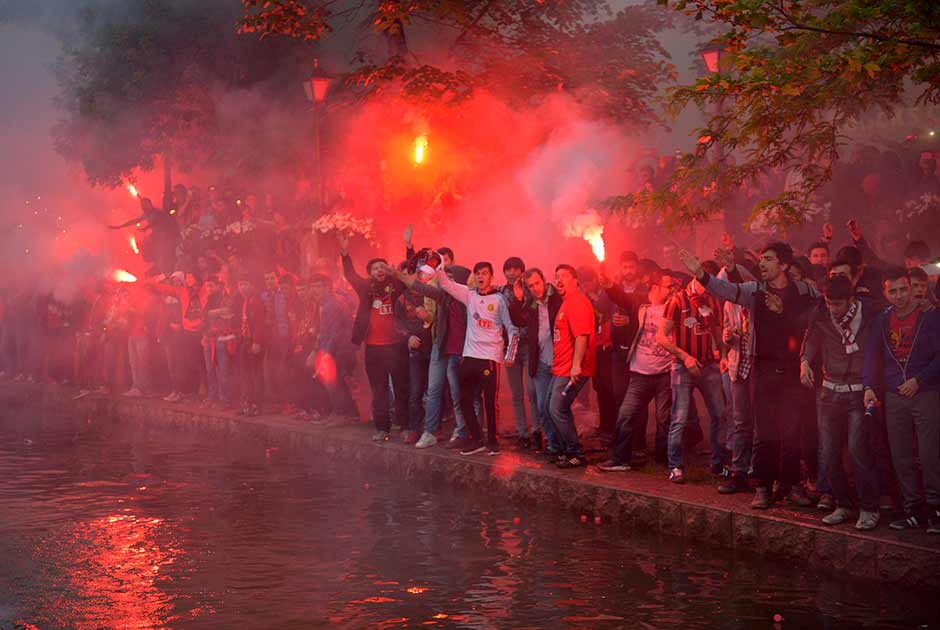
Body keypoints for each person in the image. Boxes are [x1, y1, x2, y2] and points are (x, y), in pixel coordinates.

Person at [679, 243, 819, 509]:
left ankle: (790, 486)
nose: (762, 264)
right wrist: (702, 275)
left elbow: (816, 319)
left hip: (792, 372)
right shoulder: (755, 291)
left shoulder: (803, 291)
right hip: (763, 371)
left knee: (791, 433)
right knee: (764, 434)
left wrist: (785, 313)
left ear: (784, 265)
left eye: (768, 259)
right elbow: (728, 291)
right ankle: (763, 488)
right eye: (762, 259)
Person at [863, 268, 940, 533]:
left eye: (903, 289)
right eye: (892, 291)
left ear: (912, 288)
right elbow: (872, 355)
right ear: (885, 292)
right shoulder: (882, 320)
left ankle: (936, 510)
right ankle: (914, 510)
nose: (898, 296)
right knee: (902, 456)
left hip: (926, 393)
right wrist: (870, 386)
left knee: (930, 455)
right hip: (894, 395)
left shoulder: (930, 316)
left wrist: (920, 379)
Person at [801, 276, 880, 529]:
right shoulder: (821, 314)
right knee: (829, 452)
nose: (833, 308)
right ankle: (843, 504)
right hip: (829, 391)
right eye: (829, 302)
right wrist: (804, 361)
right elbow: (811, 339)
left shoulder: (869, 313)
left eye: (837, 304)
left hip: (858, 391)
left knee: (857, 449)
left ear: (851, 299)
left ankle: (869, 507)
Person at [596, 270, 679, 472]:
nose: (672, 291)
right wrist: (608, 284)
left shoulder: (676, 307)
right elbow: (620, 297)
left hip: (665, 373)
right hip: (640, 374)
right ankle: (620, 459)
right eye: (669, 287)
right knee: (625, 415)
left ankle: (664, 460)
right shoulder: (640, 303)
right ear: (655, 287)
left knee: (664, 418)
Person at [436, 260, 518, 456]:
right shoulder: (469, 295)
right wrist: (438, 264)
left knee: (490, 401)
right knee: (464, 400)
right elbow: (446, 284)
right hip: (469, 356)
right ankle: (476, 439)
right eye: (478, 273)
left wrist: (510, 354)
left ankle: (492, 442)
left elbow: (512, 329)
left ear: (491, 276)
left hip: (489, 357)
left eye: (485, 273)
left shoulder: (499, 300)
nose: (481, 277)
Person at [655, 267, 728, 484]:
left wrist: (723, 355)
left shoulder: (713, 300)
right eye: (706, 280)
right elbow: (661, 337)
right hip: (682, 367)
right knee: (679, 417)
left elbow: (717, 332)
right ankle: (675, 466)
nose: (709, 285)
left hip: (708, 366)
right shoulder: (677, 300)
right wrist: (685, 357)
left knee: (720, 414)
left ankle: (719, 464)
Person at [339, 234, 410, 442]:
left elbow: (411, 274)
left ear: (388, 270)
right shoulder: (365, 288)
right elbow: (350, 274)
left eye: (383, 267)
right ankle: (382, 429)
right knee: (379, 391)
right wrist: (344, 253)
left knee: (401, 388)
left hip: (397, 346)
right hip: (373, 348)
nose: (380, 270)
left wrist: (408, 247)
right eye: (375, 268)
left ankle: (405, 426)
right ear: (369, 273)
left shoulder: (397, 285)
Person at [398, 262, 474, 449]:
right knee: (432, 392)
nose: (446, 282)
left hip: (459, 352)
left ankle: (462, 431)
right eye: (446, 278)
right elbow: (419, 286)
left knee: (457, 396)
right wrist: (399, 275)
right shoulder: (442, 297)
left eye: (452, 279)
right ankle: (429, 432)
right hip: (440, 349)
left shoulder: (469, 299)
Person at [507, 268, 563, 454]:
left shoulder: (557, 298)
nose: (535, 288)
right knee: (541, 406)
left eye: (537, 283)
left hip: (559, 361)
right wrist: (517, 299)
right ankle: (553, 445)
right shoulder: (530, 304)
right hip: (539, 363)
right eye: (530, 286)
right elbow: (517, 321)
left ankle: (563, 444)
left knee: (554, 406)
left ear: (544, 281)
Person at [546, 264, 596, 468]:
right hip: (561, 368)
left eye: (564, 276)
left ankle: (576, 453)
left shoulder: (577, 302)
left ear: (575, 280)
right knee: (551, 407)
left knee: (557, 408)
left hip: (571, 369)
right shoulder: (566, 302)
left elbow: (582, 336)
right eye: (556, 276)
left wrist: (576, 366)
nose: (559, 280)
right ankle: (564, 450)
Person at [499, 256, 538, 448]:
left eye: (516, 269)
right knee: (516, 393)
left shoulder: (531, 291)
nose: (512, 272)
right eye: (508, 269)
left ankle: (537, 431)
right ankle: (523, 434)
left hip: (529, 346)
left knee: (532, 391)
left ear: (522, 272)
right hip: (510, 347)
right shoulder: (500, 293)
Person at [308, 273, 358, 418]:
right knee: (333, 384)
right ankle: (341, 414)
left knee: (336, 384)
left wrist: (326, 354)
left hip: (340, 350)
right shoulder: (324, 304)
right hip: (332, 350)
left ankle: (343, 415)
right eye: (312, 287)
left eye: (318, 287)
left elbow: (335, 333)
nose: (314, 290)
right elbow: (324, 332)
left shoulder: (333, 304)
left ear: (328, 287)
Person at [237, 276, 266, 416]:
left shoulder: (256, 301)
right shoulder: (246, 301)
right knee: (245, 374)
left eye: (245, 283)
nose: (242, 287)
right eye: (240, 284)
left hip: (253, 342)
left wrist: (257, 342)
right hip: (245, 340)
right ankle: (247, 402)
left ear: (252, 285)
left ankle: (256, 404)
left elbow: (260, 324)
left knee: (255, 374)